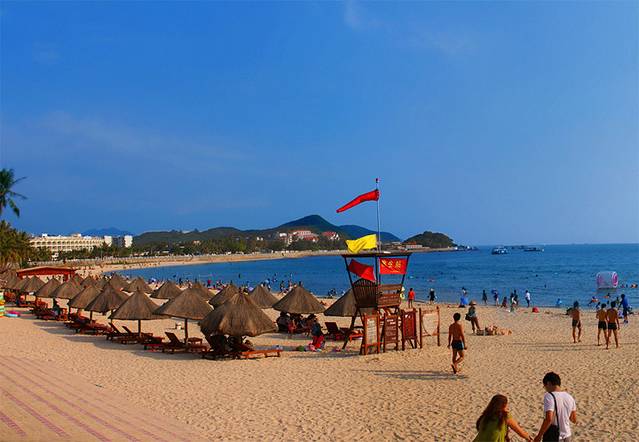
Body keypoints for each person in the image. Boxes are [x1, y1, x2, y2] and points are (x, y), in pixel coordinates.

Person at [533, 372, 577, 442]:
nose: (545, 389)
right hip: (567, 435)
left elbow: (549, 419)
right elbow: (574, 419)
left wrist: (539, 436)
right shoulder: (570, 397)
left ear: (548, 383)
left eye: (544, 386)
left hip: (554, 436)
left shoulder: (549, 396)